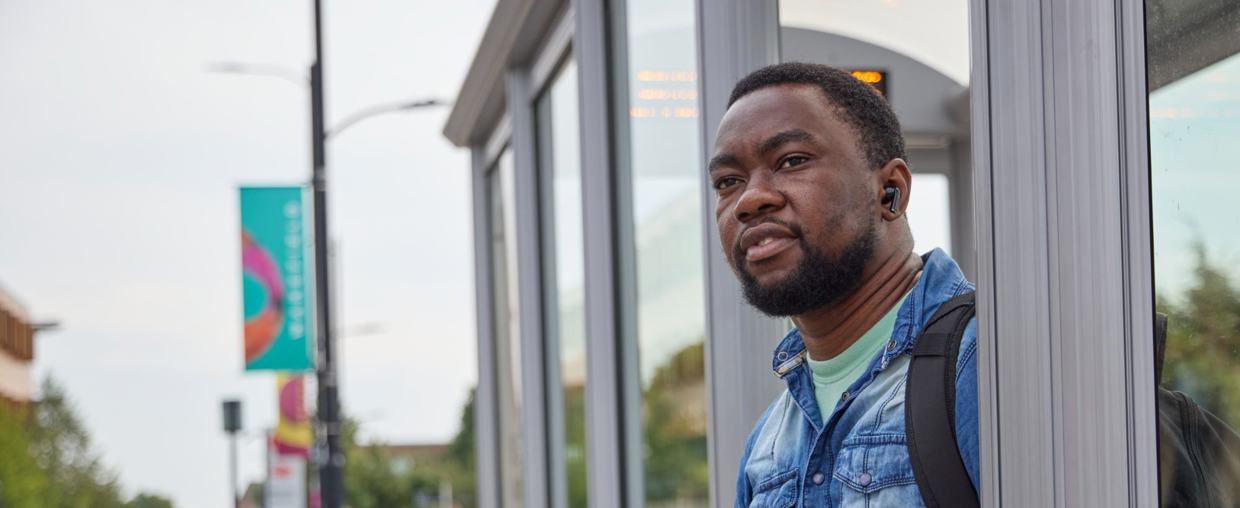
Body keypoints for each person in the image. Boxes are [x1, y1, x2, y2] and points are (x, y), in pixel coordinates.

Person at [709, 62, 978, 507]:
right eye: (728, 182)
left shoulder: (982, 365)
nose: (750, 200)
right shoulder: (768, 446)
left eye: (792, 161)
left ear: (890, 190)